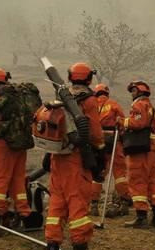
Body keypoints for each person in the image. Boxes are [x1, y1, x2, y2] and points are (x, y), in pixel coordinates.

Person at [44, 62, 105, 250]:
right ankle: (80, 243)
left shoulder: (61, 96)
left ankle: (53, 243)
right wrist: (101, 150)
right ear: (89, 78)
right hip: (75, 158)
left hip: (57, 157)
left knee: (56, 202)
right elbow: (94, 133)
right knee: (77, 200)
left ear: (70, 77)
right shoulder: (88, 100)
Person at [0, 68, 33, 235]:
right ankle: (25, 217)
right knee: (18, 181)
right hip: (20, 145)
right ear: (7, 79)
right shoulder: (20, 96)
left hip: (2, 145)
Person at [121, 80, 155, 228]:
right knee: (151, 180)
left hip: (139, 147)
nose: (131, 94)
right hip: (151, 147)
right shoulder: (152, 107)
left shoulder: (139, 104)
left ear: (140, 92)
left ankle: (141, 217)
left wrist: (123, 122)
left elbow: (138, 123)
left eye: (133, 91)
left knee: (136, 179)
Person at [90, 83, 130, 217]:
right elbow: (122, 122)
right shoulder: (113, 104)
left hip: (98, 142)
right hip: (113, 139)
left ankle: (93, 205)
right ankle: (124, 202)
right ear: (106, 93)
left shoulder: (92, 105)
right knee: (119, 173)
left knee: (98, 173)